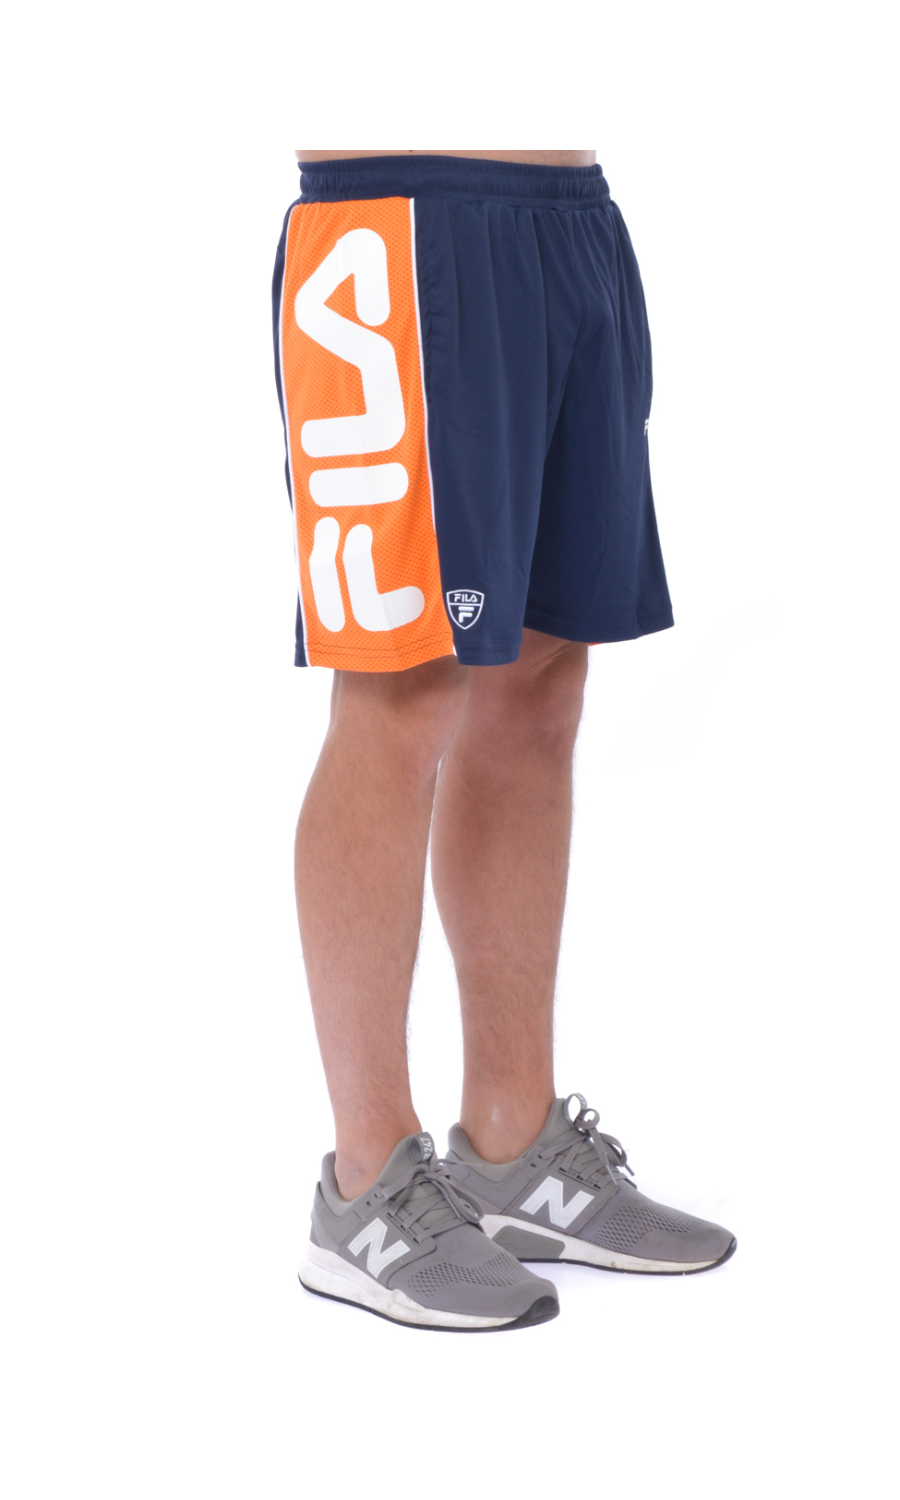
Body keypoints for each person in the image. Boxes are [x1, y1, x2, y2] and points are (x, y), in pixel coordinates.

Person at [272, 150, 735, 1332]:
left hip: (572, 220)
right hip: (397, 225)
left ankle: (514, 1148)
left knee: (539, 680)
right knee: (402, 684)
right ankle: (366, 1191)